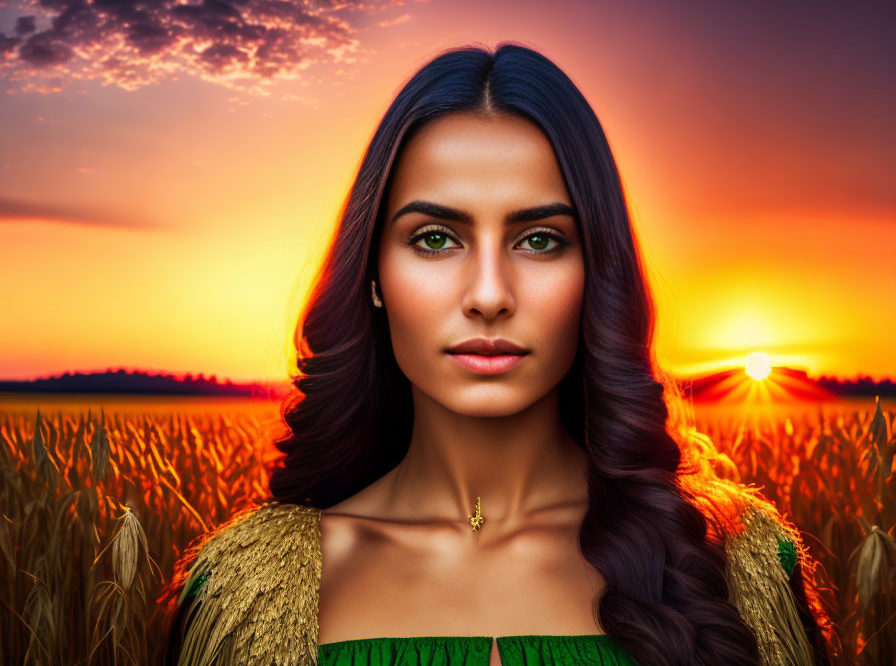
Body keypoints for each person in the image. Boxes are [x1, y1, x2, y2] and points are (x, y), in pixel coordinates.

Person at [163, 42, 833, 666]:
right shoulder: (245, 589)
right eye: (435, 239)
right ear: (372, 275)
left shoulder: (737, 564)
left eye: (539, 240)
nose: (488, 294)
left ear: (597, 274)